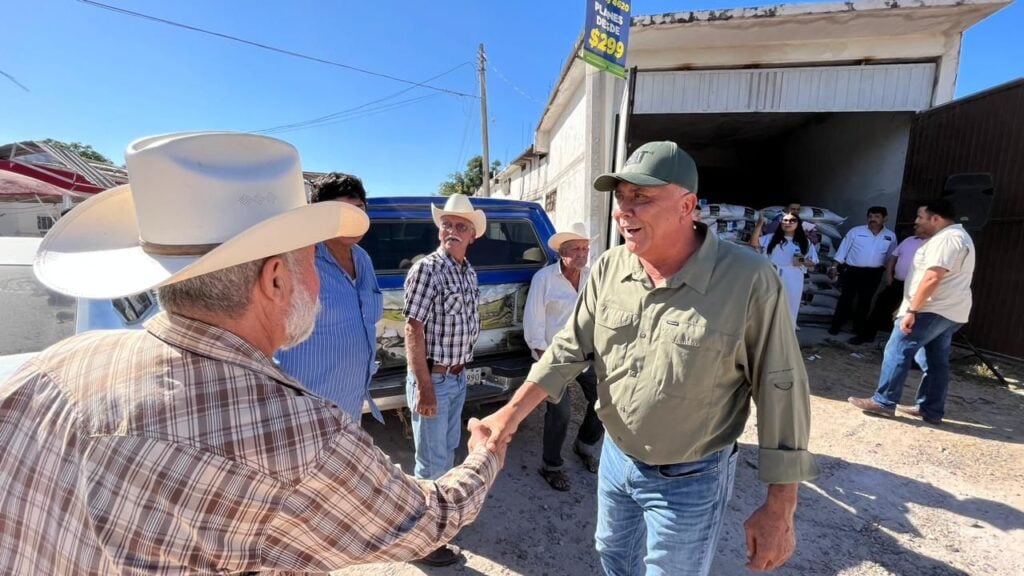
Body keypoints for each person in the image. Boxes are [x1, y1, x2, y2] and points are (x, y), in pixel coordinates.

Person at [0, 132, 505, 574]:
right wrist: (486, 449)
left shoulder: (49, 367)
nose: (319, 272)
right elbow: (426, 519)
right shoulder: (291, 431)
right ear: (276, 278)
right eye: (309, 257)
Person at [476, 141, 819, 575]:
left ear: (687, 205)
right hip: (616, 460)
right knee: (613, 557)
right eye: (621, 198)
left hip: (691, 477)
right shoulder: (609, 269)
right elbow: (567, 348)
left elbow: (781, 388)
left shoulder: (748, 279)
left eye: (642, 197)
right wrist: (509, 415)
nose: (624, 210)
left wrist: (781, 505)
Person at [402, 192, 485, 566]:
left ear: (473, 235)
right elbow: (412, 329)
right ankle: (424, 543)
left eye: (460, 226)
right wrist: (424, 386)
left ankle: (442, 520)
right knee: (431, 464)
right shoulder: (427, 269)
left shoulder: (467, 272)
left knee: (448, 453)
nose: (452, 230)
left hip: (457, 377)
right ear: (439, 231)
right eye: (447, 225)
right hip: (434, 378)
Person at [848, 199, 975, 425]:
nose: (916, 221)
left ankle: (884, 401)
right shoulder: (959, 237)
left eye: (920, 217)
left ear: (936, 219)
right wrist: (906, 303)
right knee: (935, 360)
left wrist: (913, 309)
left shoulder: (947, 239)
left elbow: (933, 277)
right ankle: (930, 409)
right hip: (949, 311)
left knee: (897, 349)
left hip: (931, 308)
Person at [276, 172, 384, 423]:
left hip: (350, 407)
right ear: (320, 215)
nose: (353, 218)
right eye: (340, 211)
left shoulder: (362, 259)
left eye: (359, 208)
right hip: (303, 413)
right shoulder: (299, 260)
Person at [524, 222, 603, 492]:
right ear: (562, 252)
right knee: (561, 412)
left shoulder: (593, 277)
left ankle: (585, 446)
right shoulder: (544, 278)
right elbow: (533, 322)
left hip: (586, 353)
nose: (582, 253)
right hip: (554, 355)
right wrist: (544, 360)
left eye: (585, 248)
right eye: (576, 249)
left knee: (605, 399)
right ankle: (551, 466)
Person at [828, 206, 897, 344]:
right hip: (853, 270)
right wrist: (835, 266)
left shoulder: (890, 236)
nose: (873, 219)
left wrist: (888, 273)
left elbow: (891, 256)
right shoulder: (856, 231)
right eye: (870, 216)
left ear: (885, 218)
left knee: (865, 301)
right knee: (846, 299)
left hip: (874, 273)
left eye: (877, 216)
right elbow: (843, 250)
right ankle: (835, 326)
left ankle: (858, 329)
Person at [750, 213, 818, 329]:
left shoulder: (805, 242)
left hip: (793, 277)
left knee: (790, 305)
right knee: (768, 304)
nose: (788, 223)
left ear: (798, 224)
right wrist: (759, 225)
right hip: (772, 274)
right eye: (785, 221)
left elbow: (813, 262)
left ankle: (786, 332)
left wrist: (800, 259)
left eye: (792, 221)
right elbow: (754, 243)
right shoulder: (772, 238)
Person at [867, 228, 927, 339]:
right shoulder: (909, 240)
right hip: (897, 282)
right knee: (881, 304)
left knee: (905, 312)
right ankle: (867, 335)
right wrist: (889, 275)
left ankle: (898, 339)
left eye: (919, 225)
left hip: (914, 286)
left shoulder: (932, 243)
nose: (916, 227)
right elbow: (893, 257)